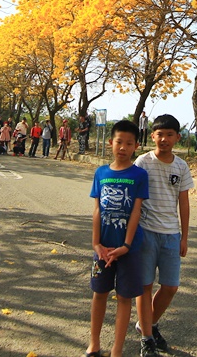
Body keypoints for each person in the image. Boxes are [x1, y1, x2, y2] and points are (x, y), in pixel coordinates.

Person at [86, 120, 150, 357]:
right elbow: (97, 210)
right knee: (99, 294)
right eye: (119, 142)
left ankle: (117, 350)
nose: (123, 147)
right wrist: (96, 244)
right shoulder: (101, 173)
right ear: (111, 142)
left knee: (124, 298)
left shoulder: (139, 175)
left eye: (129, 143)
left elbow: (136, 211)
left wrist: (126, 245)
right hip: (102, 248)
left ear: (136, 146)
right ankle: (94, 343)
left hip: (129, 250)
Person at [134, 114, 194, 355]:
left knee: (170, 287)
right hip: (146, 233)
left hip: (171, 235)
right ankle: (147, 338)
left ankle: (146, 323)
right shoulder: (142, 162)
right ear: (152, 136)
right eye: (160, 134)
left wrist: (184, 237)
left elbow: (184, 203)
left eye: (170, 134)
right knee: (145, 286)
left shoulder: (181, 166)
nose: (164, 139)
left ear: (177, 138)